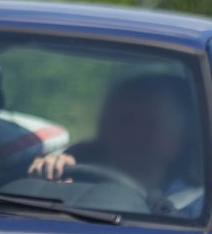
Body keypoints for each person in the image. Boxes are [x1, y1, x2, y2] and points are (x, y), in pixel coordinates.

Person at [28, 72, 197, 203]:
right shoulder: (74, 167)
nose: (134, 133)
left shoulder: (198, 205)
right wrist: (46, 173)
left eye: (150, 124)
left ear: (180, 137)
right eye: (125, 120)